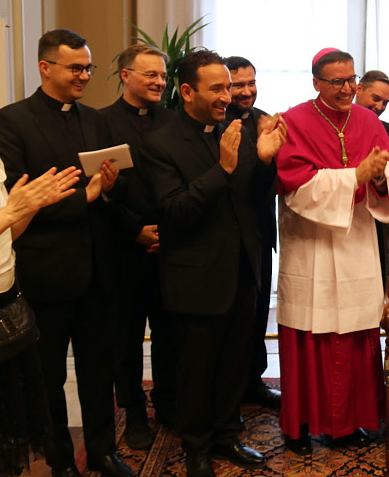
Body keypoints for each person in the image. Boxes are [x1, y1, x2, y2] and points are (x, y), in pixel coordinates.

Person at [0, 29, 132, 477]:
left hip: (98, 271)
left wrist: (108, 189)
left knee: (98, 370)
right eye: (76, 68)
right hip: (46, 271)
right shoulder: (12, 121)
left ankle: (105, 451)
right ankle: (61, 460)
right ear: (45, 67)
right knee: (48, 376)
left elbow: (113, 182)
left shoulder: (96, 119)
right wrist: (84, 197)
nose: (85, 76)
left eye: (88, 67)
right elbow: (18, 200)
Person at [141, 50, 286, 477]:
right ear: (187, 92)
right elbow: (175, 212)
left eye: (229, 87)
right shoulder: (160, 144)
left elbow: (254, 200)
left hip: (243, 268)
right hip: (196, 276)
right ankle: (197, 447)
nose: (228, 96)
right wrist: (221, 169)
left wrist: (262, 161)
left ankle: (227, 434)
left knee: (234, 361)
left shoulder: (235, 131)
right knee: (197, 369)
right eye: (218, 88)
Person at [275, 48, 389, 455]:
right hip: (309, 246)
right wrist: (354, 177)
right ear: (316, 83)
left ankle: (352, 423)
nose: (349, 88)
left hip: (356, 244)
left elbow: (388, 179)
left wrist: (381, 176)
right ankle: (301, 425)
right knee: (309, 334)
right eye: (337, 82)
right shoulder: (293, 121)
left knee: (355, 334)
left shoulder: (367, 120)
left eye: (353, 80)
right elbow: (294, 185)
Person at [0, 56, 80, 477]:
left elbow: (6, 237)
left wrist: (32, 206)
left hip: (7, 305)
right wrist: (12, 211)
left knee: (6, 432)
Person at [100, 44, 177, 447]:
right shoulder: (100, 123)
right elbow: (101, 191)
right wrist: (136, 231)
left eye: (163, 76)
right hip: (123, 249)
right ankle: (133, 416)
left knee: (169, 334)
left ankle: (166, 404)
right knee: (125, 339)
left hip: (170, 247)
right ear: (126, 75)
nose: (159, 83)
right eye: (150, 75)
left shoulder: (173, 121)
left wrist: (166, 232)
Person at [222, 55, 281, 410]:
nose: (246, 91)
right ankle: (227, 388)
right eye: (237, 85)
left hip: (260, 230)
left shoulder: (266, 121)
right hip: (226, 235)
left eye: (251, 83)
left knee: (259, 313)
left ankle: (253, 382)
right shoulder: (215, 122)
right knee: (231, 317)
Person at [354, 70, 389, 182]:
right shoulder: (337, 124)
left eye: (385, 103)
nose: (380, 107)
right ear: (359, 89)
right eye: (375, 99)